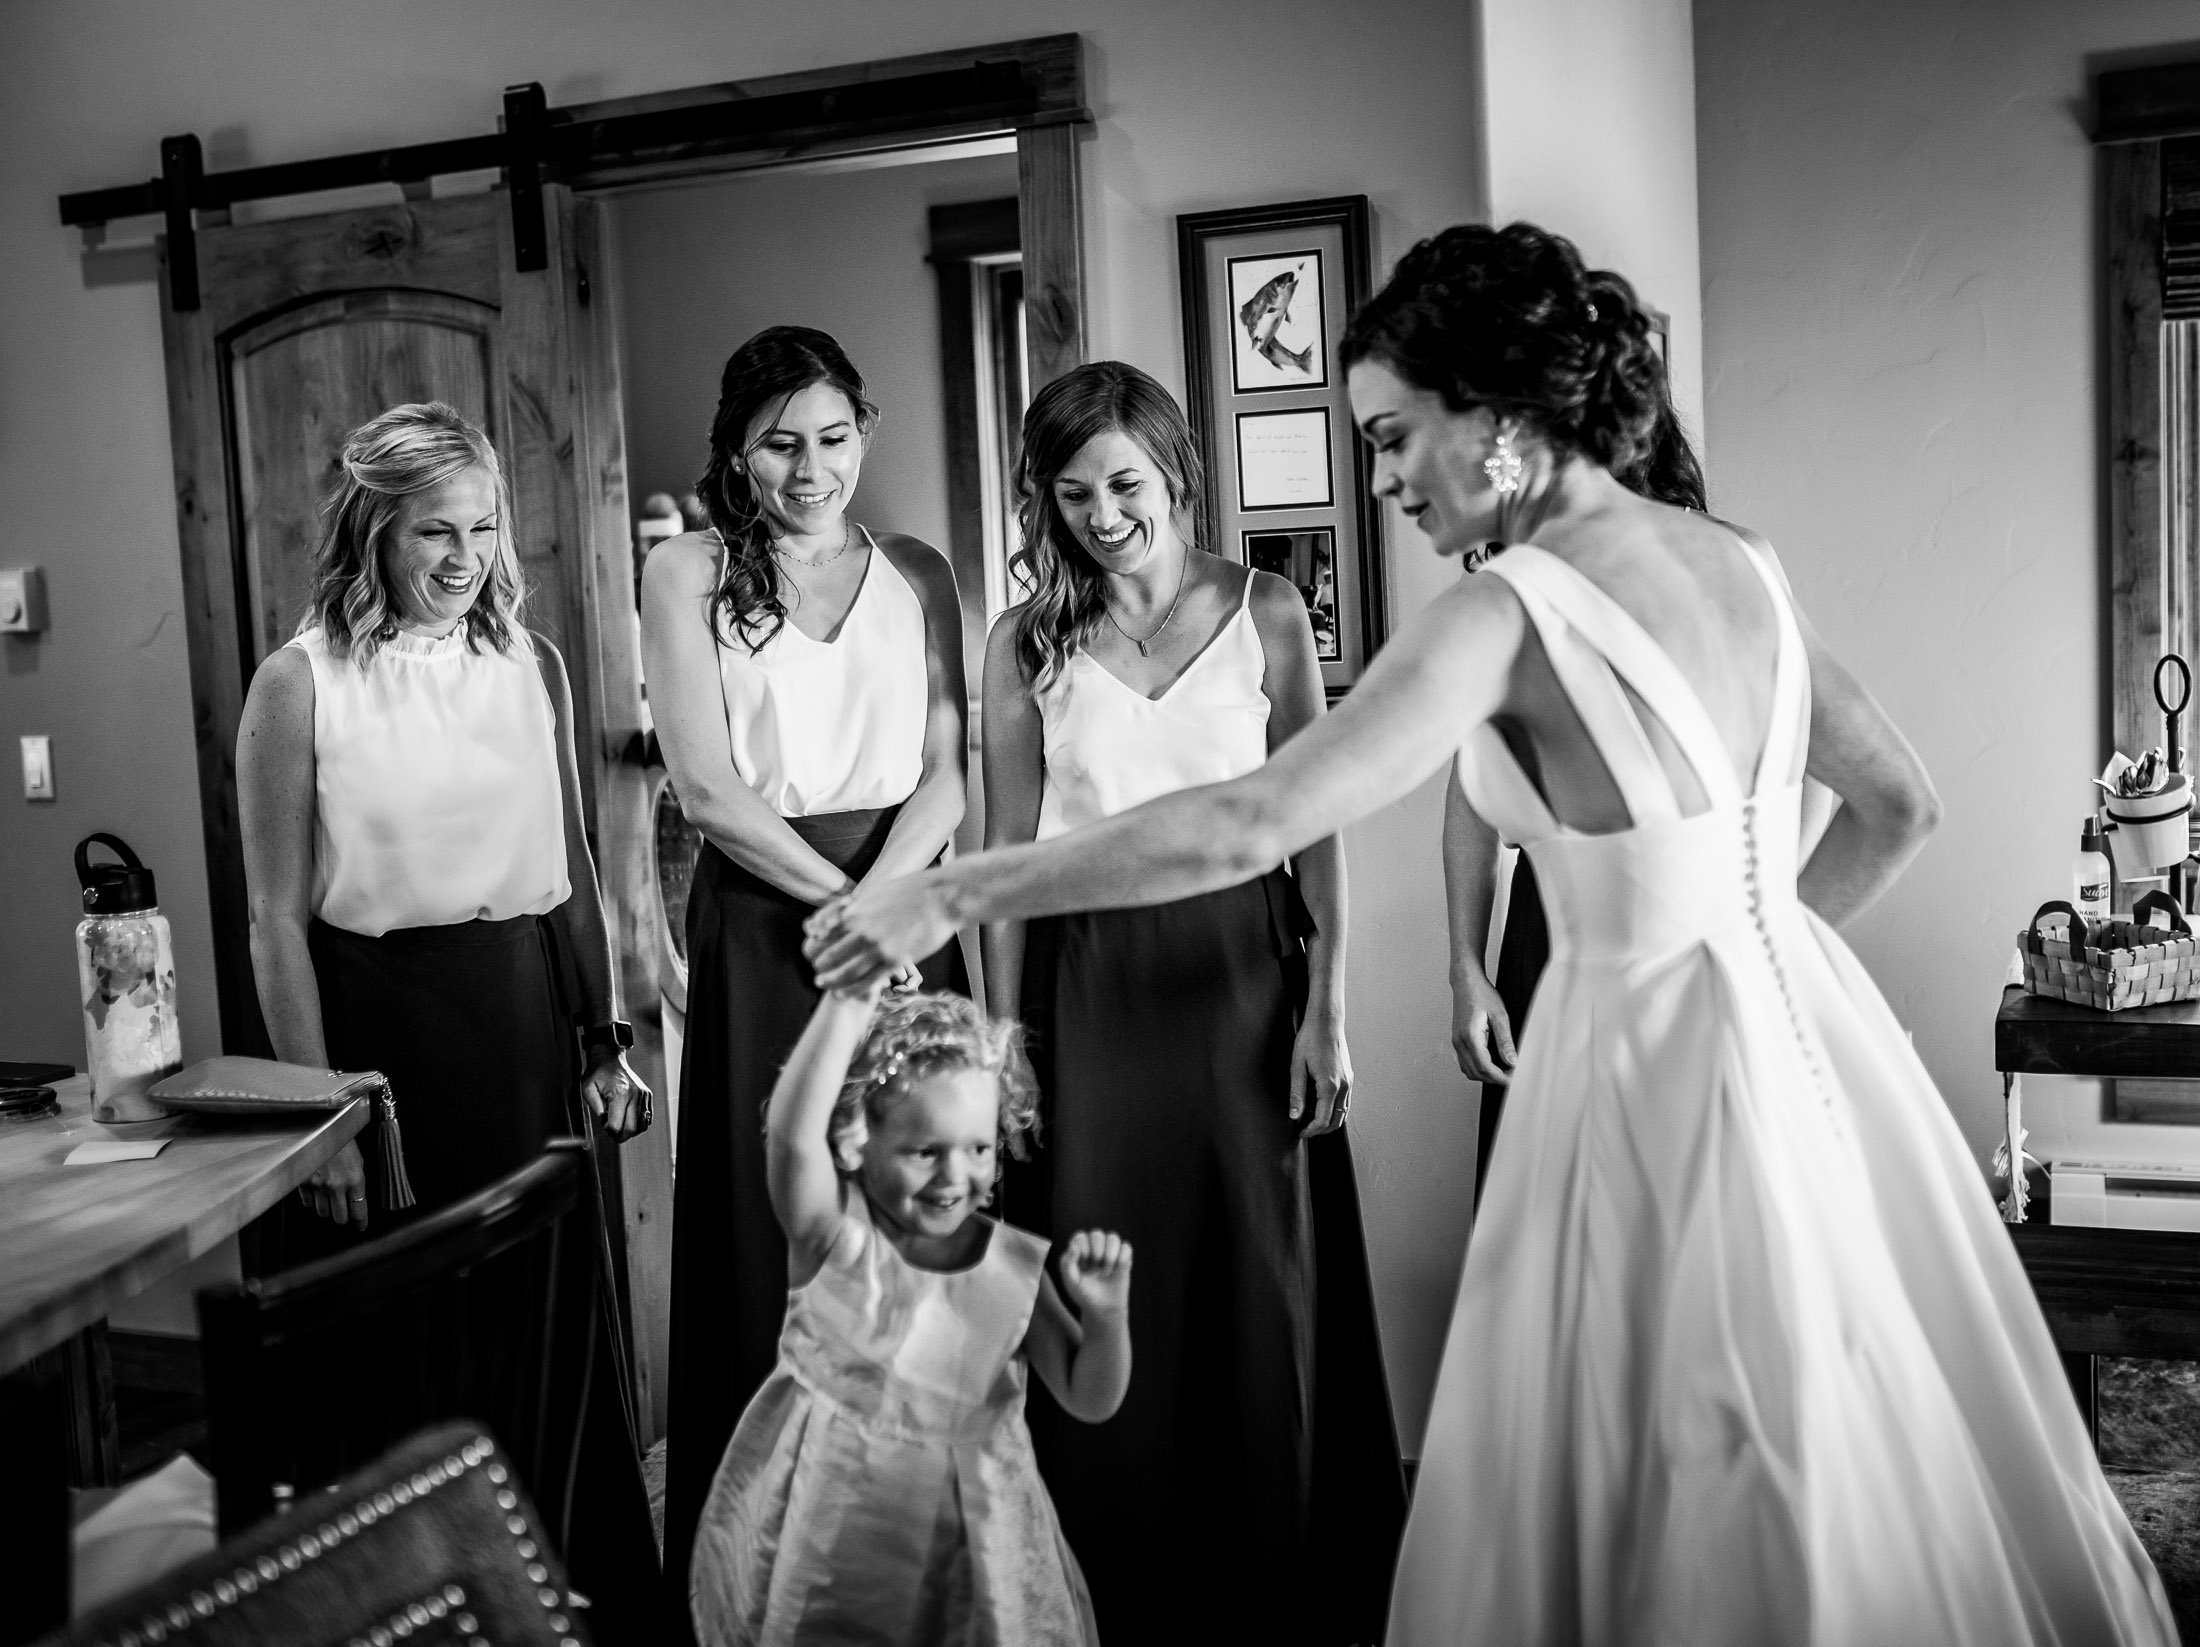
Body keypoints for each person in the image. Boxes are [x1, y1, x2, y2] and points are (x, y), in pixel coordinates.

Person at [805, 223, 2177, 1644]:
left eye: (1397, 437)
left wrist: (953, 889)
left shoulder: (1511, 610)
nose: (1386, 480)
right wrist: (1749, 958)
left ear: (1498, 418)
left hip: (1635, 1075)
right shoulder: (1740, 559)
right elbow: (1900, 805)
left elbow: (1249, 821)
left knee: (1656, 1440)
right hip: (1808, 1055)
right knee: (1839, 1410)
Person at [971, 359, 1403, 1644]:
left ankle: (1271, 1574)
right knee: (1107, 1266)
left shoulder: (1267, 608)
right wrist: (1005, 1040)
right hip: (1088, 985)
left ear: (1174, 474)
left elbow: (1312, 819)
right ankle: (1114, 1581)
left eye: (1124, 483)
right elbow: (1001, 854)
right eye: (1073, 492)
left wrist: (1327, 1005)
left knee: (1256, 1274)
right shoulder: (1023, 639)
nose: (1103, 513)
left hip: (1243, 979)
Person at [234, 400, 661, 1633]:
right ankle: (419, 1604)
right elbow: (274, 924)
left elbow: (571, 863)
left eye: (482, 528)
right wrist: (325, 1115)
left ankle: (573, 1594)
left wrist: (602, 1038)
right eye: (433, 532)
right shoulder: (296, 683)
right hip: (380, 1041)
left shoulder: (528, 663)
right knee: (408, 1336)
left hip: (523, 1025)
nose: (464, 558)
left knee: (544, 1324)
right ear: (370, 533)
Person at [644, 325, 973, 1620]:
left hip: (905, 905)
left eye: (834, 436)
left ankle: (923, 1537)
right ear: (737, 446)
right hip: (772, 920)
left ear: (864, 434)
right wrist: (845, 911)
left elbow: (952, 769)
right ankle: (761, 1558)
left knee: (916, 1202)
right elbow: (708, 788)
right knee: (768, 1217)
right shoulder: (690, 571)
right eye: (781, 439)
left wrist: (891, 912)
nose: (810, 465)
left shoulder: (922, 571)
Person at [689, 984, 1131, 1644]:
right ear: (854, 1141)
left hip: (979, 1559)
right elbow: (788, 1135)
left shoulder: (1012, 1267)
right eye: (926, 1150)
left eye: (978, 1147)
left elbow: (1090, 1396)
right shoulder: (831, 1239)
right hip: (839, 1547)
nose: (956, 1175)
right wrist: (848, 997)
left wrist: (1106, 1318)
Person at [1445, 402, 1710, 1208]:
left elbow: (1827, 780)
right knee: (1548, 1214)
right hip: (1541, 942)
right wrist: (1465, 965)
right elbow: (1472, 793)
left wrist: (1770, 932)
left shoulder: (1706, 585)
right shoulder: (1512, 603)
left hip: (1679, 936)